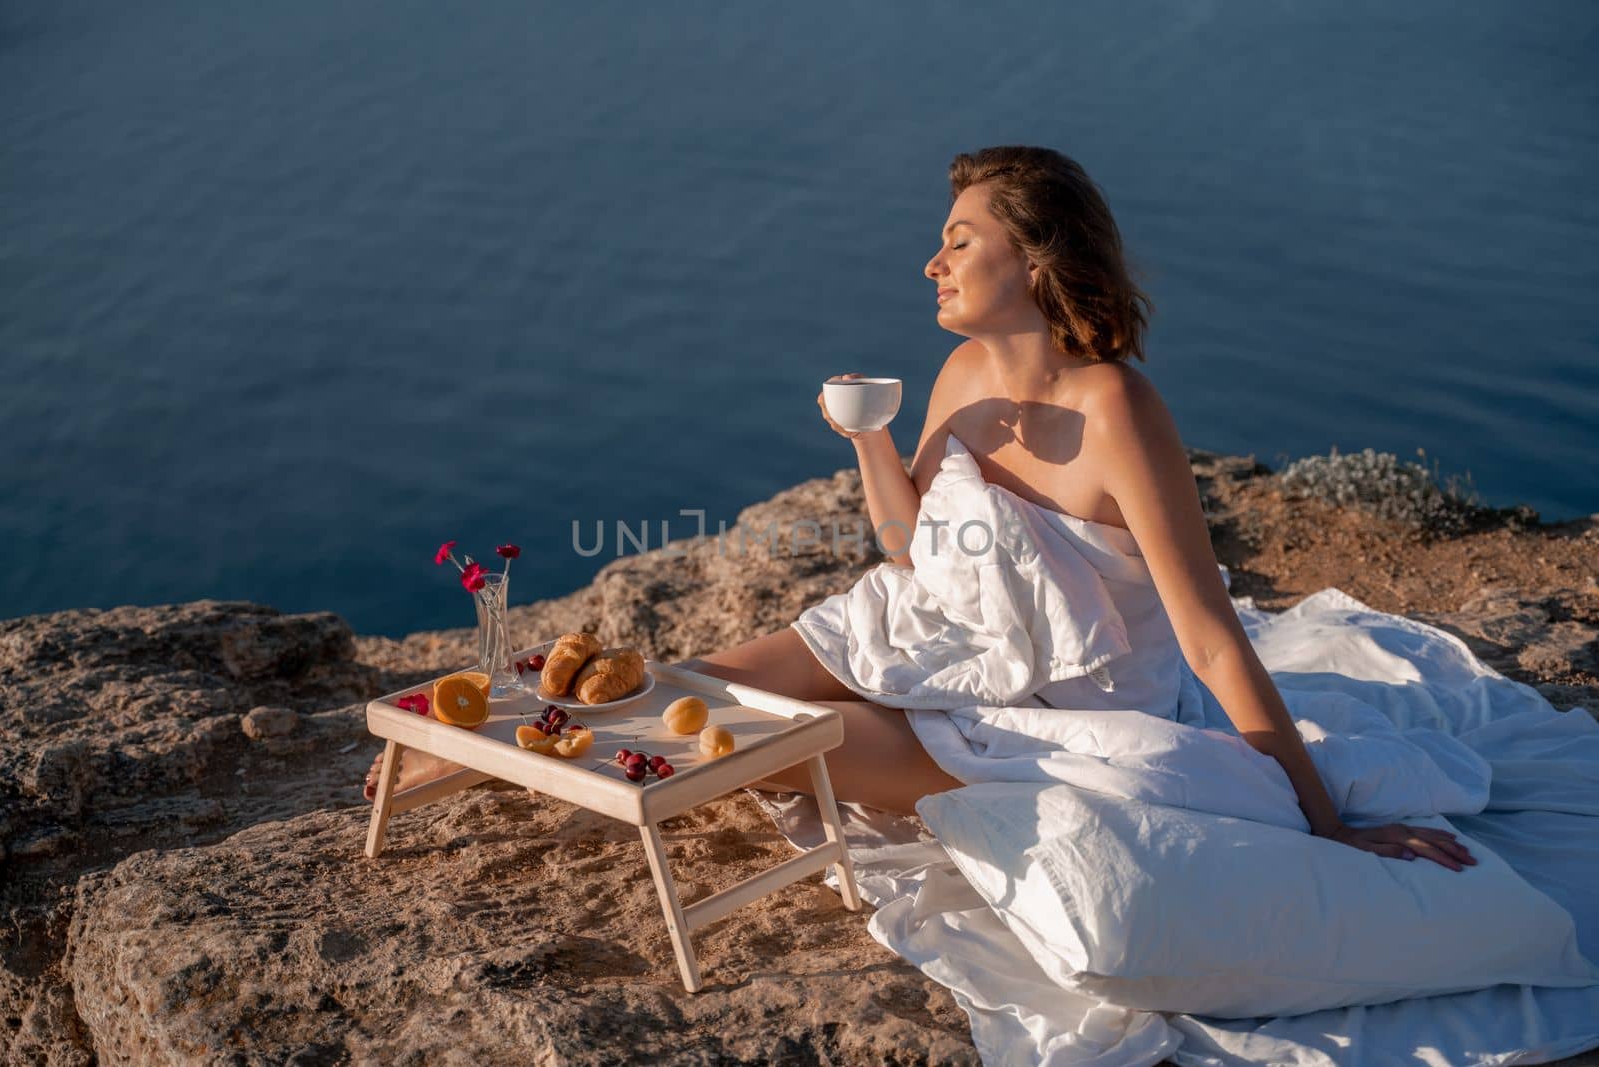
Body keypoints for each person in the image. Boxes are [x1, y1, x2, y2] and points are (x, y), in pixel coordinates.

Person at [365, 145, 1472, 872]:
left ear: (1034, 260)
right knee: (696, 681)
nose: (929, 260)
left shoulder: (1116, 408)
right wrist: (869, 441)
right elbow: (911, 548)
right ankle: (461, 744)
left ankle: (462, 755)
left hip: (1052, 703)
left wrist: (1330, 827)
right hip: (928, 629)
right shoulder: (959, 378)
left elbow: (1204, 631)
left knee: (768, 738)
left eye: (959, 239)